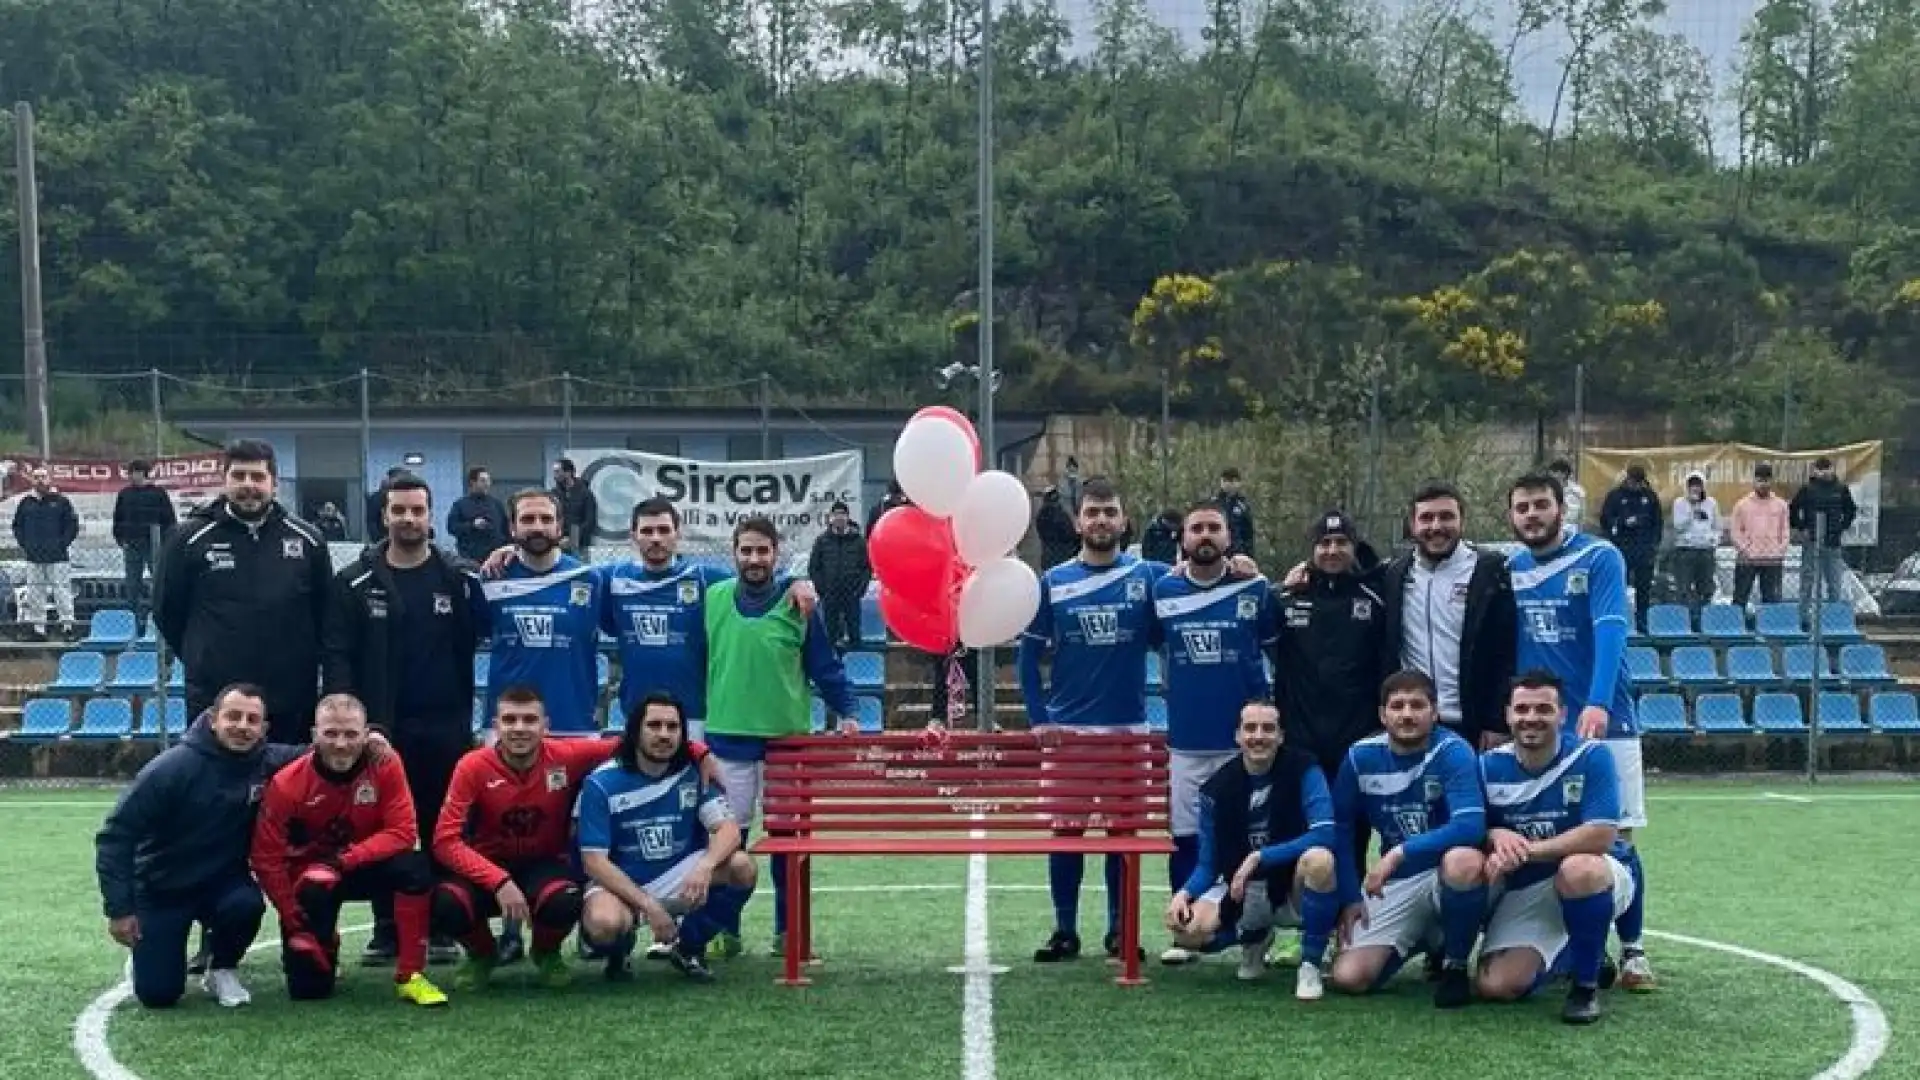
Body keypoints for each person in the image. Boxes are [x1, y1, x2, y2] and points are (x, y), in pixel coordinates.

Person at [323, 473, 485, 965]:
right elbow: (338, 654)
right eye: (400, 510)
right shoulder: (353, 580)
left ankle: (438, 926)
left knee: (440, 825)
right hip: (379, 728)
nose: (409, 519)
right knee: (379, 826)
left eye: (417, 510)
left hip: (443, 724)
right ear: (384, 515)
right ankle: (387, 927)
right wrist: (355, 722)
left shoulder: (456, 577)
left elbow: (474, 637)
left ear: (430, 516)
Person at [1506, 471, 1652, 991]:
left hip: (1602, 716)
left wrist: (1595, 702)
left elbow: (1612, 628)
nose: (1531, 515)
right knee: (1551, 832)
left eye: (1540, 505)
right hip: (1540, 725)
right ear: (1511, 516)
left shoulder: (1599, 557)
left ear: (1559, 508)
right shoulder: (1512, 566)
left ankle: (1634, 951)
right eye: (1522, 507)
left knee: (1616, 836)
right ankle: (1574, 944)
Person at [1017, 476, 1168, 963]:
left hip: (1127, 732)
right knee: (1066, 833)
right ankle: (1065, 930)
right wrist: (1039, 718)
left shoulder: (1149, 577)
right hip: (1069, 735)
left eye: (1110, 512)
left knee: (1122, 838)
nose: (1101, 520)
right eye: (1093, 512)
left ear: (1124, 521)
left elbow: (1201, 576)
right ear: (1079, 521)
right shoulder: (1053, 582)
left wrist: (1237, 565)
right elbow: (1028, 657)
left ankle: (1119, 930)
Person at [93, 685, 306, 1009]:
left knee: (247, 905)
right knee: (159, 995)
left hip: (222, 884)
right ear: (212, 720)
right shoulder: (171, 769)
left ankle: (221, 967)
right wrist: (120, 909)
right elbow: (116, 836)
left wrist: (372, 736)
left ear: (263, 729)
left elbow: (322, 751)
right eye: (233, 716)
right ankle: (147, 956)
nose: (242, 726)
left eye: (252, 720)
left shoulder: (266, 761)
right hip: (161, 887)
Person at [703, 515, 858, 957]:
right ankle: (723, 930)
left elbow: (824, 666)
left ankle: (789, 931)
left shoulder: (800, 605)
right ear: (734, 553)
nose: (754, 559)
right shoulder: (712, 597)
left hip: (788, 744)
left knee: (790, 843)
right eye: (746, 550)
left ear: (776, 553)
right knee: (727, 842)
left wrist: (847, 709)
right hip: (728, 739)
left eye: (762, 551)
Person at [249, 694, 447, 1007]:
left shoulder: (385, 763)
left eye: (351, 734)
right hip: (313, 881)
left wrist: (342, 861)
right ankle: (326, 940)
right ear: (314, 735)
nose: (341, 744)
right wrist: (291, 917)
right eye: (331, 734)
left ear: (367, 735)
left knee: (415, 868)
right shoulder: (287, 784)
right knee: (308, 991)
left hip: (361, 865)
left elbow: (403, 832)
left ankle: (411, 975)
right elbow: (266, 858)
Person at [1150, 500, 1275, 966]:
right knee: (1184, 835)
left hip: (1242, 743)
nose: (1205, 535)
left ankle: (1253, 933)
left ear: (1229, 537)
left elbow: (1276, 648)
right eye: (1196, 528)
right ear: (1183, 539)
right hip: (1185, 741)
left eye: (1214, 528)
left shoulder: (1255, 588)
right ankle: (1187, 930)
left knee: (1248, 838)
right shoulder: (1163, 589)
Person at [1477, 671, 1638, 1025]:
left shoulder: (1591, 756)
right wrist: (1495, 833)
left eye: (1543, 709)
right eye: (1521, 709)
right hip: (1530, 888)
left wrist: (1528, 851)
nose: (1531, 718)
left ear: (1562, 714)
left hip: (1596, 876)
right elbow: (1472, 825)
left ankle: (1586, 985)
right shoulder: (1489, 766)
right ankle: (1571, 951)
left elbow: (1600, 835)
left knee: (1579, 869)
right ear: (1507, 715)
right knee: (1497, 986)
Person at [429, 686, 618, 989]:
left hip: (544, 864)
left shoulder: (566, 755)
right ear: (495, 726)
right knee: (445, 902)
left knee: (565, 900)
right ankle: (482, 954)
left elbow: (633, 744)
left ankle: (545, 952)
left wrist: (697, 753)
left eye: (530, 720)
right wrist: (499, 881)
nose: (519, 728)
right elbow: (444, 841)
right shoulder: (472, 766)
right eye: (510, 720)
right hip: (487, 866)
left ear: (546, 726)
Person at [1326, 671, 1488, 1008]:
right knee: (1349, 977)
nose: (1407, 714)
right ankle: (1430, 936)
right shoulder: (1360, 757)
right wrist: (1349, 897)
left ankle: (1455, 964)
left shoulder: (1454, 751)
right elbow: (1340, 828)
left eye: (1417, 705)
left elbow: (1470, 826)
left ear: (1435, 711)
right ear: (1382, 714)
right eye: (1397, 706)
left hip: (1449, 875)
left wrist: (1398, 853)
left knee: (1463, 861)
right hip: (1400, 884)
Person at [599, 497, 816, 744]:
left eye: (663, 530)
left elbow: (758, 581)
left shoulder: (703, 579)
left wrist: (795, 582)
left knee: (694, 783)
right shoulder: (614, 579)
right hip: (638, 713)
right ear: (634, 536)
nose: (656, 538)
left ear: (677, 533)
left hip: (695, 714)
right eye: (647, 531)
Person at [157, 439, 332, 742]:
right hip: (215, 699)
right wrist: (205, 657)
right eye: (238, 476)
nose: (248, 485)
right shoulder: (188, 539)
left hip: (289, 698)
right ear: (224, 480)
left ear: (274, 483)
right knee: (215, 787)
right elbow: (167, 611)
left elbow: (325, 613)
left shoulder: (308, 540)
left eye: (257, 477)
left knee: (286, 787)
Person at [577, 692, 758, 982]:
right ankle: (618, 951)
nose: (664, 735)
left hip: (678, 876)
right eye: (654, 725)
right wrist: (648, 905)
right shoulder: (601, 783)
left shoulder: (693, 773)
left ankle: (689, 945)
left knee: (742, 867)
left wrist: (706, 865)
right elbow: (594, 861)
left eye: (672, 727)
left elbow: (729, 830)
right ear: (636, 731)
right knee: (603, 924)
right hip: (622, 881)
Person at [1163, 701, 1338, 999]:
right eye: (1251, 728)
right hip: (1245, 889)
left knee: (1320, 860)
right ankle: (1254, 937)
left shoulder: (1304, 769)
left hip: (1291, 883)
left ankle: (1310, 963)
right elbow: (1208, 864)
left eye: (1268, 728)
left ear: (1281, 736)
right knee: (1187, 931)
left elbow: (1325, 832)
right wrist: (1184, 894)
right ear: (1237, 736)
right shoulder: (1216, 789)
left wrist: (1260, 857)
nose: (1259, 736)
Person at [1270, 510, 1389, 875]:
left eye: (1341, 543)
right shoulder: (1288, 598)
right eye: (1324, 543)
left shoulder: (1377, 596)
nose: (1332, 550)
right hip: (1300, 739)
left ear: (1354, 547)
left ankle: (1347, 916)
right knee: (1300, 827)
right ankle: (1300, 912)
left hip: (1356, 739)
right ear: (1311, 550)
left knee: (1351, 828)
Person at [1378, 482, 1517, 751]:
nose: (1436, 526)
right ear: (1412, 524)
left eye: (1446, 517)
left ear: (1462, 520)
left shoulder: (1490, 570)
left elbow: (1505, 652)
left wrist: (1496, 720)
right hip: (1413, 722)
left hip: (1472, 725)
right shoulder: (1395, 574)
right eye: (1426, 518)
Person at [480, 490, 603, 735]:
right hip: (508, 728)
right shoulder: (491, 578)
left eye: (546, 519)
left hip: (573, 725)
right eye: (527, 519)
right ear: (512, 528)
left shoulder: (590, 580)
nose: (538, 527)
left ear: (559, 527)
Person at [10, 464, 80, 639]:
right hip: (34, 557)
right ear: (32, 480)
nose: (40, 480)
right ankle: (38, 629)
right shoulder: (26, 503)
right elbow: (17, 526)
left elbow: (72, 526)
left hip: (58, 557)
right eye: (36, 477)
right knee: (35, 593)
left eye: (43, 477)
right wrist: (26, 544)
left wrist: (61, 544)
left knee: (61, 591)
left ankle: (68, 627)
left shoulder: (61, 501)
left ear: (50, 479)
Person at [112, 459, 177, 626]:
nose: (132, 476)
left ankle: (159, 615)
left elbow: (169, 519)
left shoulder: (158, 493)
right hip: (132, 545)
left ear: (143, 473)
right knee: (132, 582)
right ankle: (132, 619)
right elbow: (118, 518)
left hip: (154, 545)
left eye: (135, 472)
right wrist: (120, 538)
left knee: (158, 580)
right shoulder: (125, 494)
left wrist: (166, 541)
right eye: (130, 473)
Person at [1597, 466, 1663, 632]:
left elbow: (1657, 523)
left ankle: (1643, 623)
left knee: (1643, 588)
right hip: (1621, 548)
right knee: (1619, 587)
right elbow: (1605, 520)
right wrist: (1622, 523)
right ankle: (1619, 621)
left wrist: (1653, 545)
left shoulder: (1650, 497)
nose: (1636, 485)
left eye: (1639, 482)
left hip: (1644, 550)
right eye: (1633, 481)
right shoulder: (1615, 496)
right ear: (1627, 479)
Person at [1790, 456, 1857, 607]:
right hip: (1811, 540)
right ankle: (1804, 616)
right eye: (1820, 469)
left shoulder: (1841, 489)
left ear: (1832, 469)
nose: (1824, 473)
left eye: (1827, 468)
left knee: (1834, 581)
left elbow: (1850, 510)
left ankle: (1832, 617)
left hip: (1833, 542)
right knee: (1807, 581)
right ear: (1815, 471)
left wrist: (1841, 527)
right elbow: (1793, 509)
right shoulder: (1807, 489)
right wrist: (1802, 527)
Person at [807, 501, 871, 650]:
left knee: (855, 634)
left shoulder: (859, 541)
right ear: (831, 518)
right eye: (836, 514)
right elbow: (814, 567)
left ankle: (855, 668)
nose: (839, 518)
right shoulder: (822, 541)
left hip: (852, 596)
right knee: (830, 635)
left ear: (848, 517)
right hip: (829, 596)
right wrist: (822, 589)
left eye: (842, 514)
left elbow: (867, 568)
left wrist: (860, 590)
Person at [1729, 463, 1789, 607]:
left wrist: (1779, 551)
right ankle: (1737, 627)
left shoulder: (1781, 505)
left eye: (1767, 480)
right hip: (1747, 559)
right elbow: (1736, 532)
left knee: (1771, 599)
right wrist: (1746, 550)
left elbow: (1785, 531)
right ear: (1754, 481)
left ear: (1771, 482)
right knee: (1740, 596)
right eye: (1760, 480)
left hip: (1772, 559)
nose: (1763, 484)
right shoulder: (1742, 505)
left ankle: (1769, 628)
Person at [1669, 471, 1721, 616]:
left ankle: (1703, 619)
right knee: (1684, 589)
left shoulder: (1711, 503)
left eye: (1698, 485)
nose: (1695, 488)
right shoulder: (1679, 503)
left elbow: (1717, 526)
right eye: (1692, 485)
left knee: (1705, 588)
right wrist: (1692, 510)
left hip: (1705, 550)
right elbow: (1678, 526)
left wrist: (1713, 540)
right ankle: (1684, 619)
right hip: (1685, 551)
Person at [447, 467, 509, 564]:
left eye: (488, 480)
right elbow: (452, 527)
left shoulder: (496, 504)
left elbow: (506, 529)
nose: (487, 484)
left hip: (497, 560)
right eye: (483, 481)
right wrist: (472, 525)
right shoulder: (460, 505)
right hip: (471, 560)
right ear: (473, 482)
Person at [550, 458, 598, 553]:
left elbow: (590, 521)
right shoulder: (553, 494)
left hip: (580, 546)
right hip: (557, 545)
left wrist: (572, 538)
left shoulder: (585, 494)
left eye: (557, 472)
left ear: (568, 473)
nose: (554, 476)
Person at [1216, 467, 1257, 557]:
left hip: (1237, 553)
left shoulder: (1243, 506)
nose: (1228, 484)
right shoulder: (1214, 503)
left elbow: (1248, 534)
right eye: (1225, 481)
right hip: (1218, 551)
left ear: (1238, 483)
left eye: (1231, 481)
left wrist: (1249, 555)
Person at [1549, 460, 1586, 532]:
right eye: (1551, 473)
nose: (1552, 475)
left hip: (1571, 527)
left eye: (1555, 472)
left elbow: (1581, 515)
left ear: (1564, 473)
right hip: (1552, 528)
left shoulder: (1577, 491)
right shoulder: (1547, 490)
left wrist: (1580, 530)